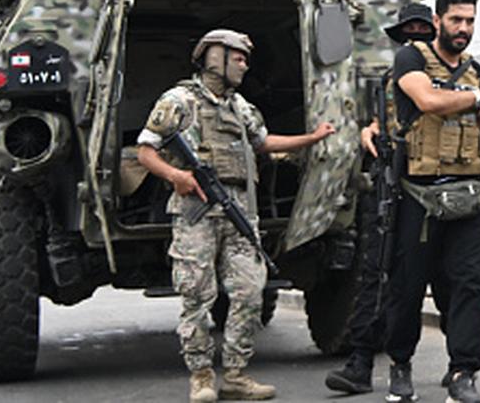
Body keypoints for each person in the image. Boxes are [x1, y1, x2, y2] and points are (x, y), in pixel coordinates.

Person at [136, 29, 335, 403]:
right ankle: (201, 376)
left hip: (239, 209)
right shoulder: (178, 100)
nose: (245, 63)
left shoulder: (239, 106)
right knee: (197, 293)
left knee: (248, 290)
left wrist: (311, 139)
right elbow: (146, 150)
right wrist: (177, 176)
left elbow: (263, 142)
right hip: (196, 212)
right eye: (238, 56)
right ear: (215, 57)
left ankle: (236, 375)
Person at [338, 0, 480, 403]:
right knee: (406, 286)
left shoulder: (475, 72)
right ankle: (399, 364)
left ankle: (464, 372)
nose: (463, 29)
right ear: (439, 21)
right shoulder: (410, 59)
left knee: (469, 283)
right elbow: (428, 101)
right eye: (455, 21)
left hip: (466, 195)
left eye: (469, 21)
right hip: (417, 194)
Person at [326, 2, 438, 395]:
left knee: (441, 280)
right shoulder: (391, 78)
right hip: (392, 184)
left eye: (422, 31)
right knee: (376, 273)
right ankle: (361, 361)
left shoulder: (451, 74)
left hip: (435, 190)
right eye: (408, 32)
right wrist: (371, 130)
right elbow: (384, 120)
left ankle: (457, 362)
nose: (414, 40)